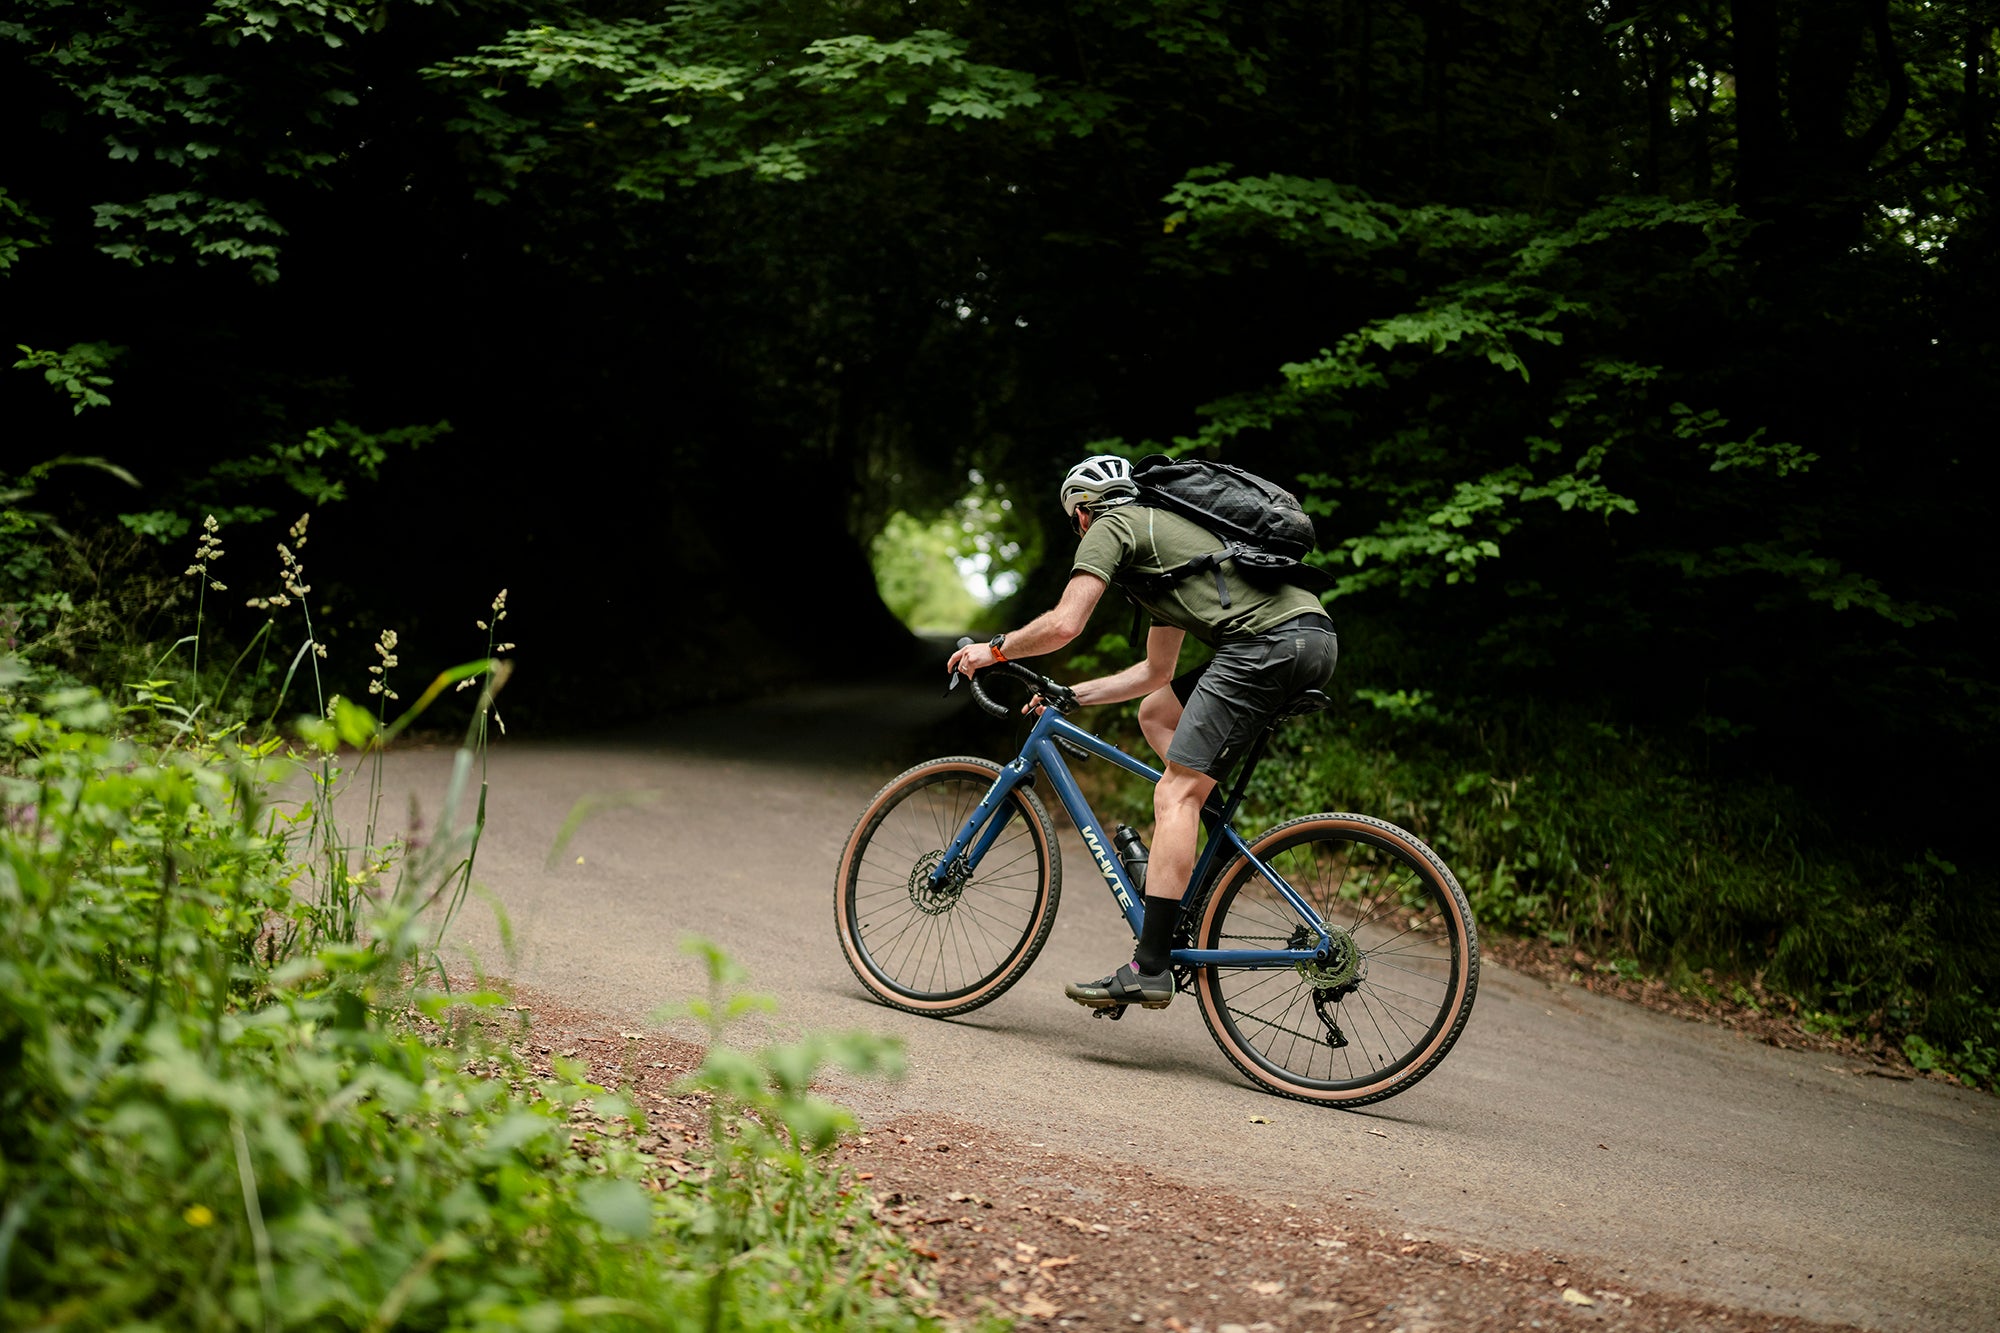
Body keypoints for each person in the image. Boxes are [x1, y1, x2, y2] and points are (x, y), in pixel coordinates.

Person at [946, 455, 1337, 1010]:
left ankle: (1150, 968)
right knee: (1157, 711)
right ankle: (1211, 863)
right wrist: (1072, 695)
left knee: (1173, 791)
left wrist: (994, 649)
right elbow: (1156, 673)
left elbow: (1064, 624)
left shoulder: (1114, 524)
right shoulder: (1166, 550)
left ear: (1082, 512)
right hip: (1308, 636)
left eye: (1076, 519)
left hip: (1266, 645)